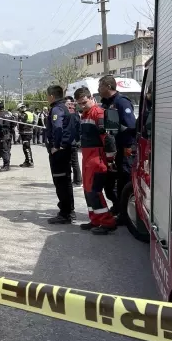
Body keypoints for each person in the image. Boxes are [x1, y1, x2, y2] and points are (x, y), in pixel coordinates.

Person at [74, 87, 118, 235]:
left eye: (84, 102)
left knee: (94, 191)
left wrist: (111, 160)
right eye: (79, 103)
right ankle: (95, 220)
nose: (82, 105)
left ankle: (107, 222)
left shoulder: (98, 114)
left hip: (97, 159)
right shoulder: (85, 114)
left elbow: (109, 139)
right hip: (88, 158)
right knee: (87, 191)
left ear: (91, 98)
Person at [98, 74, 137, 221]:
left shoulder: (122, 102)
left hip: (124, 148)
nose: (98, 89)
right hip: (110, 150)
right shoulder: (105, 103)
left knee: (123, 180)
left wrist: (113, 128)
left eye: (100, 86)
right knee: (108, 183)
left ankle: (125, 213)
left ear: (108, 86)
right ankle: (117, 205)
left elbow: (131, 125)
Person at [45, 85, 77, 224]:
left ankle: (65, 213)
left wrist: (55, 146)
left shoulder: (57, 109)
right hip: (66, 149)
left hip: (59, 152)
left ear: (51, 96)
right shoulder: (65, 107)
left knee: (60, 182)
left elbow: (58, 127)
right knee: (66, 181)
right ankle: (70, 210)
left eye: (47, 96)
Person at [65, 96, 83, 187]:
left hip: (71, 142)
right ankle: (77, 180)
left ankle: (78, 181)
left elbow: (77, 128)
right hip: (72, 141)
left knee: (73, 162)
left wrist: (77, 140)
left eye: (69, 103)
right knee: (72, 162)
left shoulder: (72, 114)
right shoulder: (73, 113)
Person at [0, 102, 15, 172]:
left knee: (4, 150)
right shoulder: (8, 114)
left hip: (4, 135)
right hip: (10, 134)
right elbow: (14, 123)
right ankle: (7, 164)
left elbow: (0, 124)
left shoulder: (0, 114)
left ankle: (6, 166)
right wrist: (10, 128)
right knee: (8, 149)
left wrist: (0, 131)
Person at [16, 103, 35, 167]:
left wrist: (18, 117)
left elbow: (21, 122)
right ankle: (27, 160)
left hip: (25, 132)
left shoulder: (24, 114)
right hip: (28, 132)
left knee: (26, 147)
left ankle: (29, 162)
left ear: (21, 108)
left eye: (19, 109)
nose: (19, 111)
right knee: (26, 147)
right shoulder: (30, 113)